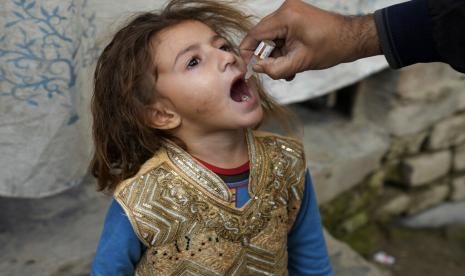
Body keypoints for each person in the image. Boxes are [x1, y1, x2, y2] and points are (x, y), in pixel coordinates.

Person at [89, 0, 332, 275]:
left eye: (223, 46)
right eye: (193, 61)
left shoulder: (288, 163)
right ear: (162, 114)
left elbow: (311, 261)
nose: (228, 57)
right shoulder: (142, 201)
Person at [239, 0, 465, 81]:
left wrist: (353, 34)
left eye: (222, 46)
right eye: (200, 61)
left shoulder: (290, 157)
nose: (226, 58)